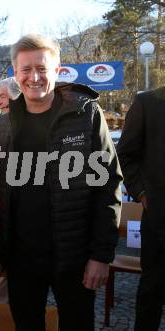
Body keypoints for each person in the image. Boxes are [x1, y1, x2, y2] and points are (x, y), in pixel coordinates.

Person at [0, 34, 122, 331]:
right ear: (14, 72)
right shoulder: (2, 126)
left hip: (74, 258)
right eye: (25, 69)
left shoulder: (86, 114)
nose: (34, 77)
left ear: (58, 70)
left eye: (42, 68)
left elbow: (108, 185)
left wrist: (101, 255)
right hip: (21, 260)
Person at [117, 87, 165, 331]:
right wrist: (144, 194)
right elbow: (124, 155)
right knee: (151, 294)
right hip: (159, 219)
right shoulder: (148, 102)